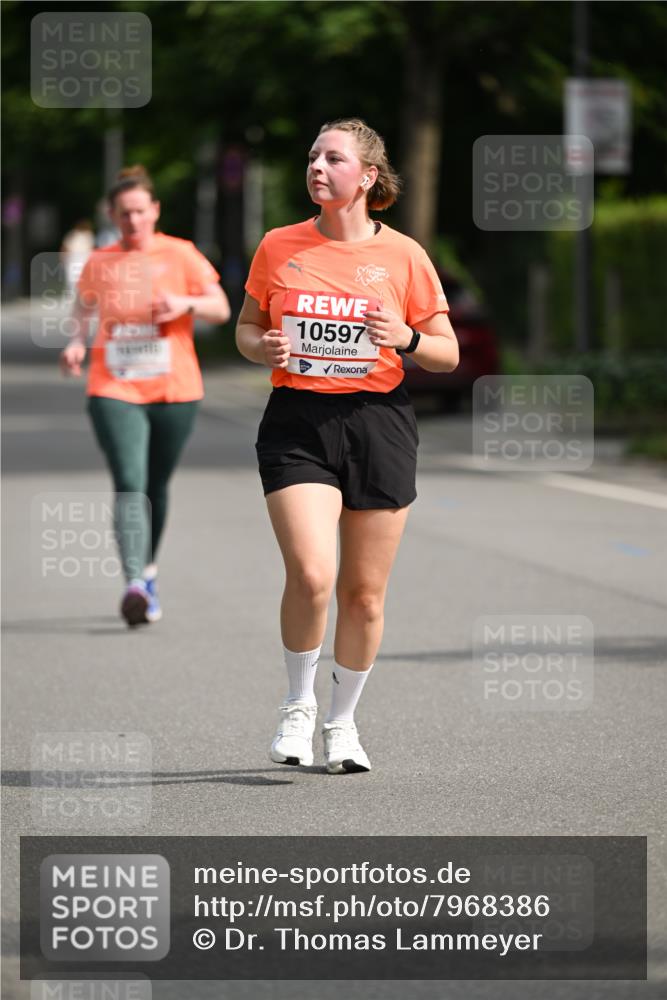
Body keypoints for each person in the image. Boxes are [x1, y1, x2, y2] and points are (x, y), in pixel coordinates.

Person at [236, 118, 459, 773]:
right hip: (298, 420)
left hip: (377, 422)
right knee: (311, 574)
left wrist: (405, 336)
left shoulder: (405, 256)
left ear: (364, 177)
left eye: (332, 159)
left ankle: (342, 723)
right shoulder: (278, 246)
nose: (316, 167)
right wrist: (262, 347)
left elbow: (444, 354)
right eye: (312, 156)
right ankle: (298, 707)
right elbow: (247, 330)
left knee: (363, 596)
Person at [60, 165, 231, 626]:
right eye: (124, 213)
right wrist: (77, 341)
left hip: (176, 388)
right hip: (114, 385)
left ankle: (149, 572)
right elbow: (82, 308)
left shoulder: (182, 254)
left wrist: (185, 304)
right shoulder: (100, 261)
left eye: (140, 211)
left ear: (154, 210)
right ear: (113, 216)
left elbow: (220, 308)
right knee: (130, 480)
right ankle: (134, 581)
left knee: (156, 484)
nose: (133, 220)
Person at [60, 220, 94, 301]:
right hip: (73, 257)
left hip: (83, 257)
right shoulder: (73, 234)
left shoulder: (88, 235)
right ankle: (72, 294)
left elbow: (91, 248)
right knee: (72, 277)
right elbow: (66, 247)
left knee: (78, 276)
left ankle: (79, 294)